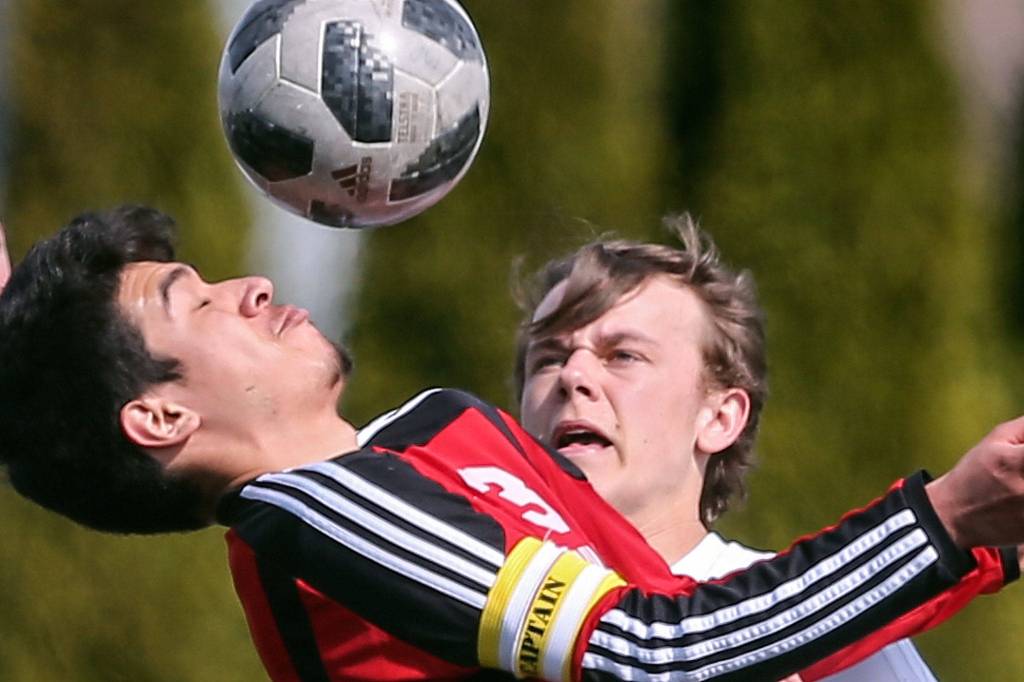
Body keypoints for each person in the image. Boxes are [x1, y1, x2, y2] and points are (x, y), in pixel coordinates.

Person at [0, 206, 1022, 682]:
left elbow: (678, 623)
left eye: (625, 352)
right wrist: (949, 519)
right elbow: (654, 652)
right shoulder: (318, 516)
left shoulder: (422, 441)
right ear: (161, 419)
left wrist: (986, 542)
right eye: (199, 300)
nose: (250, 285)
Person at [512, 214, 1015, 679]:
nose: (574, 376)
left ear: (720, 418)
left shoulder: (833, 625)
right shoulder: (468, 608)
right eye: (549, 359)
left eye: (622, 355)